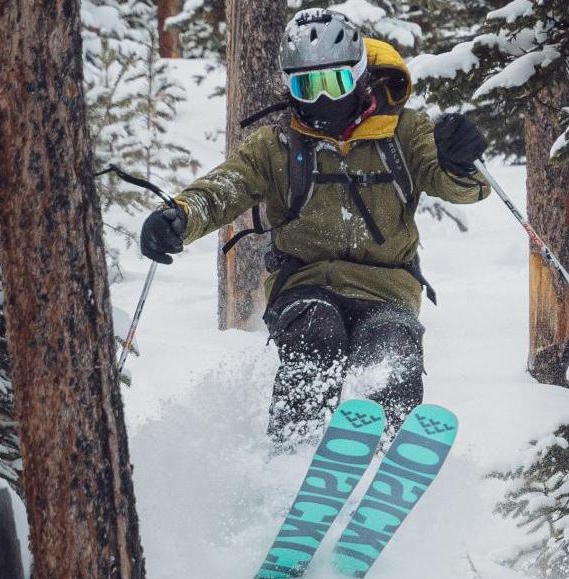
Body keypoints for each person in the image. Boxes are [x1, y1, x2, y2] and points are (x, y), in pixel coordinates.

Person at [139, 8, 490, 446]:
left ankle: (385, 456)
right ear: (290, 87)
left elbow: (459, 187)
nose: (321, 101)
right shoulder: (279, 144)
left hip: (387, 289)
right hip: (303, 284)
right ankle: (293, 453)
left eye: (333, 84)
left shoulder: (404, 134)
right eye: (306, 86)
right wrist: (182, 216)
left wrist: (461, 163)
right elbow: (226, 187)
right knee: (316, 336)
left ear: (359, 77)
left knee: (390, 351)